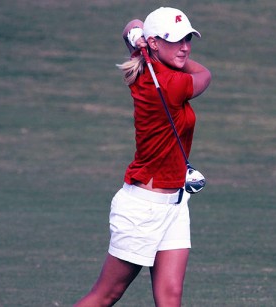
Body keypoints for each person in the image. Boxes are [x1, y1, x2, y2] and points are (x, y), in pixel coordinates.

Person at [74, 7, 211, 307]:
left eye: (188, 39)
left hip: (174, 203)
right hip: (143, 208)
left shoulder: (146, 65)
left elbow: (131, 24)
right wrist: (145, 45)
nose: (185, 47)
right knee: (105, 295)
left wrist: (141, 42)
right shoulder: (171, 84)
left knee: (170, 298)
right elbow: (205, 75)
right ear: (155, 43)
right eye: (175, 41)